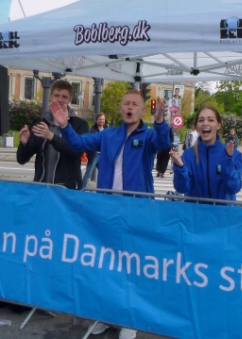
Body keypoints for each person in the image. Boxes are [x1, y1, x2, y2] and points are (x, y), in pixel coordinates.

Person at [51, 89, 170, 339]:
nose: (130, 107)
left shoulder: (148, 136)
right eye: (126, 103)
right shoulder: (108, 135)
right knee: (107, 266)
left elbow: (163, 143)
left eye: (135, 104)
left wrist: (160, 121)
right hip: (107, 210)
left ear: (142, 110)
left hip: (136, 210)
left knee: (131, 267)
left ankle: (129, 319)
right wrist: (64, 126)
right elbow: (79, 144)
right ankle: (106, 316)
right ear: (121, 108)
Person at [17, 80, 88, 189]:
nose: (60, 99)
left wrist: (52, 137)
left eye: (64, 97)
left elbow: (76, 153)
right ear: (51, 97)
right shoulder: (41, 124)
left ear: (70, 99)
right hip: (42, 188)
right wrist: (24, 144)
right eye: (56, 95)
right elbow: (21, 160)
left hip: (67, 189)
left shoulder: (80, 124)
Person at [170, 105, 242, 201]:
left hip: (223, 210)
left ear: (218, 125)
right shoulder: (188, 155)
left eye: (211, 120)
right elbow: (181, 188)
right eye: (201, 120)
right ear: (197, 126)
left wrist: (228, 161)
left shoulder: (235, 155)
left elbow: (234, 188)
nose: (205, 123)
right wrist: (180, 168)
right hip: (195, 210)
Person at [82, 112, 106, 188]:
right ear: (96, 120)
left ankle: (103, 189)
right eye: (100, 119)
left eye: (103, 119)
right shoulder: (92, 131)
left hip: (103, 155)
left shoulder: (106, 130)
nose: (101, 121)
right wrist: (89, 154)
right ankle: (83, 188)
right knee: (88, 173)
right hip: (94, 154)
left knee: (104, 173)